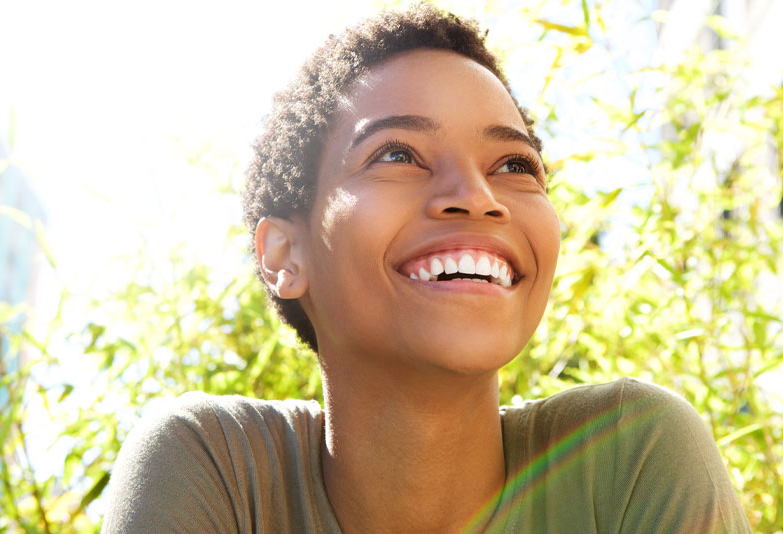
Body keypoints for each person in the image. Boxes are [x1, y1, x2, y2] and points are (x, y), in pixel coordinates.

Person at [103, 4, 752, 533]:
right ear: (284, 256)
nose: (476, 194)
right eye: (397, 154)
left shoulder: (631, 455)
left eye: (514, 165)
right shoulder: (214, 470)